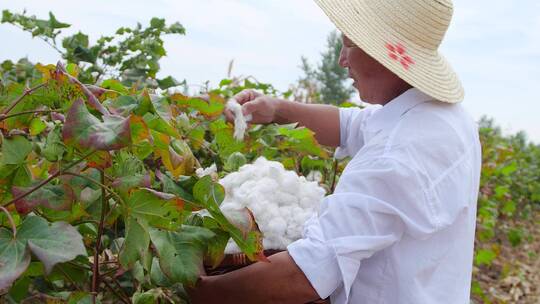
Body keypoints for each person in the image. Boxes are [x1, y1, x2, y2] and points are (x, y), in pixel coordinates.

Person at [188, 0, 481, 303]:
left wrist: (202, 292)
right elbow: (351, 125)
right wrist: (276, 109)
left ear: (384, 54)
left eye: (350, 44)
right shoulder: (449, 119)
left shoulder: (397, 155)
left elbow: (306, 274)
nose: (342, 59)